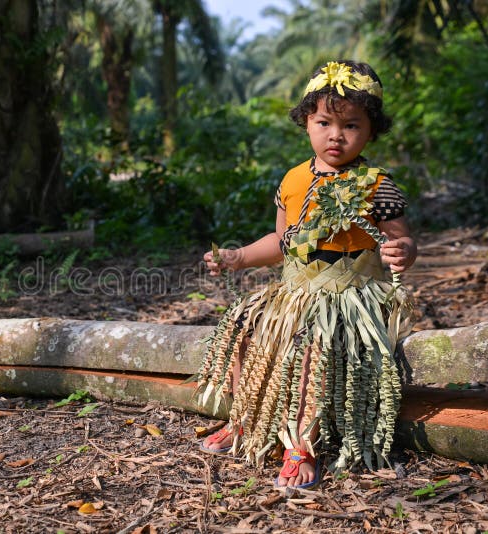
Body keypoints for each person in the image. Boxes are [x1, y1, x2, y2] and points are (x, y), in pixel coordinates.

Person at [194, 60, 417, 491]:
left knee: (312, 345)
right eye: (324, 122)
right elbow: (281, 241)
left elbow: (402, 239)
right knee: (243, 328)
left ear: (372, 130)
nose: (336, 135)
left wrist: (402, 251)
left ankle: (302, 444)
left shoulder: (377, 183)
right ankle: (245, 422)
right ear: (306, 123)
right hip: (295, 289)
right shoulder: (293, 180)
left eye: (351, 125)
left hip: (348, 295)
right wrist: (239, 257)